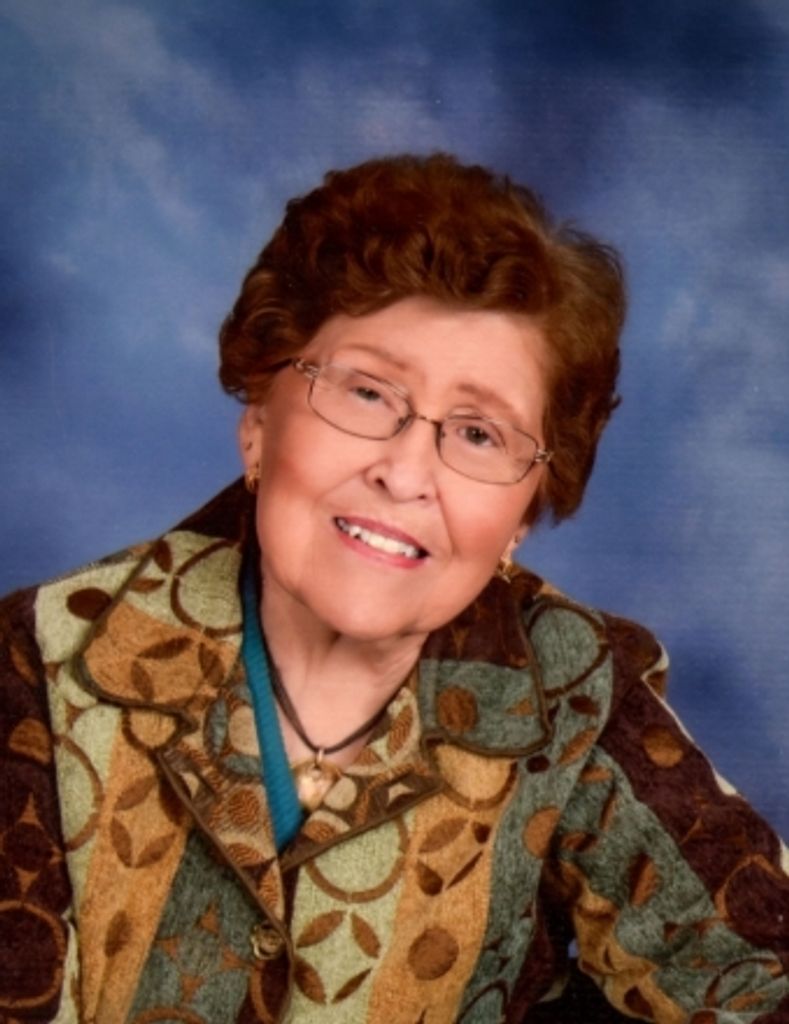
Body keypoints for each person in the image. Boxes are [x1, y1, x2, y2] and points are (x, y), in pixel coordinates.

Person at [1, 153, 787, 1024]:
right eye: (368, 392)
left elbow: (760, 977)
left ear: (523, 512)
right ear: (258, 420)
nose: (406, 473)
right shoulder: (41, 660)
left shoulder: (572, 689)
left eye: (479, 434)